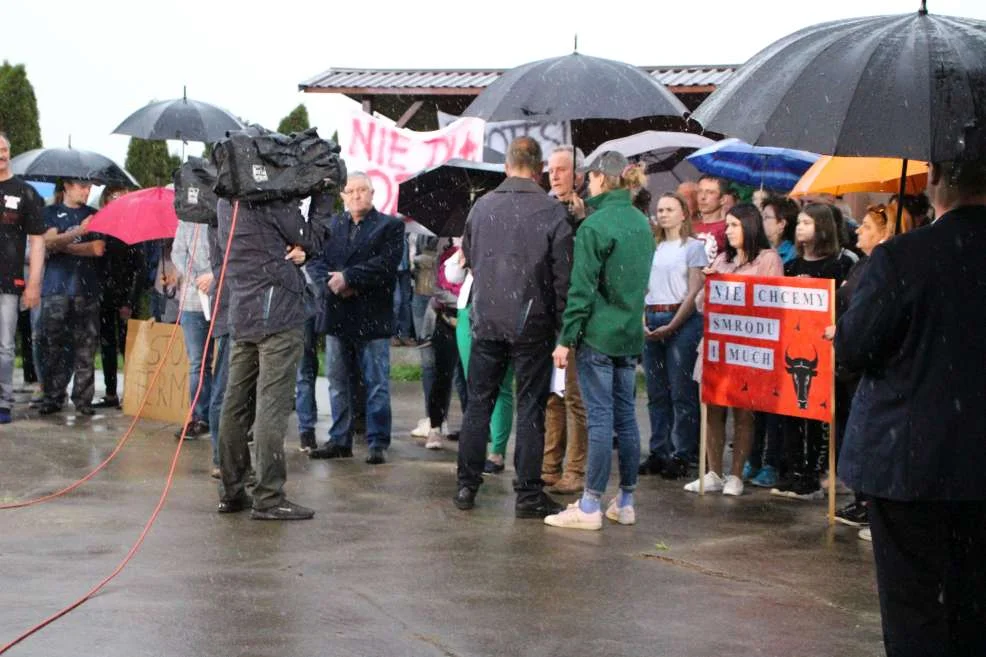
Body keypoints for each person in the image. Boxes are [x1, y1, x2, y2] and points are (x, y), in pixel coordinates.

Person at [836, 158, 986, 657]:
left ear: (938, 187)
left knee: (912, 611)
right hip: (972, 465)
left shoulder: (903, 257)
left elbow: (854, 349)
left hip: (907, 460)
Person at [453, 136, 572, 518]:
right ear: (538, 169)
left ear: (506, 166)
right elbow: (562, 276)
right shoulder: (552, 212)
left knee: (478, 405)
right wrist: (563, 328)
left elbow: (469, 258)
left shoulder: (481, 206)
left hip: (486, 319)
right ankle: (527, 493)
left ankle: (466, 486)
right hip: (532, 323)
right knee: (530, 408)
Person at [543, 151, 654, 530]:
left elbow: (582, 290)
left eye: (590, 179)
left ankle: (590, 504)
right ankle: (625, 500)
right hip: (628, 334)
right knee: (626, 415)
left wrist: (566, 338)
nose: (587, 185)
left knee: (600, 418)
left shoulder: (595, 226)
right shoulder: (641, 222)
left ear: (601, 180)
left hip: (598, 335)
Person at [215, 188, 332, 520]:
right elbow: (312, 237)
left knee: (235, 404)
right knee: (271, 408)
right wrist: (322, 195)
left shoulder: (227, 201)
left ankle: (232, 490)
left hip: (243, 312)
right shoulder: (270, 198)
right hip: (277, 314)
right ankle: (268, 496)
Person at [685, 204, 783, 496]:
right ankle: (714, 471)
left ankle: (736, 474)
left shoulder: (768, 259)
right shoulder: (722, 260)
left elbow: (770, 301)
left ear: (749, 226)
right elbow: (702, 305)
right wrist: (707, 283)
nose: (727, 231)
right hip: (717, 345)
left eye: (733, 225)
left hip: (748, 347)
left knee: (744, 411)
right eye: (727, 226)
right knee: (712, 409)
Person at [308, 172, 404, 465]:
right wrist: (331, 281)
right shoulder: (333, 225)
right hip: (338, 314)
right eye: (351, 191)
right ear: (343, 196)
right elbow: (315, 259)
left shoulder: (390, 226)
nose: (356, 195)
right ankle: (340, 439)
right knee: (338, 381)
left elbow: (386, 265)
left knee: (376, 382)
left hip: (373, 316)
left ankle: (377, 441)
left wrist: (349, 278)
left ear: (372, 193)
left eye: (362, 190)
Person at [770, 203, 854, 501]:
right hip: (792, 350)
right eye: (799, 222)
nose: (800, 227)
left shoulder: (840, 265)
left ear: (822, 227)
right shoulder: (791, 266)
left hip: (823, 353)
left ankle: (814, 474)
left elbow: (844, 305)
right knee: (791, 412)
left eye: (806, 222)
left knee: (818, 416)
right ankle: (795, 470)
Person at [823, 203, 896, 530]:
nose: (858, 231)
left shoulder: (884, 267)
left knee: (863, 430)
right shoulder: (862, 266)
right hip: (847, 363)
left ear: (885, 232)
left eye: (867, 227)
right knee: (848, 426)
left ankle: (868, 501)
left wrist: (845, 329)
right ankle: (859, 498)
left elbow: (870, 315)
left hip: (865, 364)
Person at [638, 192, 707, 480]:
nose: (663, 214)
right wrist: (642, 318)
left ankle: (682, 452)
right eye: (660, 209)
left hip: (680, 316)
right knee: (656, 391)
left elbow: (694, 290)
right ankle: (659, 449)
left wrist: (675, 323)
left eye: (670, 209)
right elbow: (642, 284)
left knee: (681, 391)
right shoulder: (652, 245)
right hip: (652, 312)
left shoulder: (693, 247)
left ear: (683, 214)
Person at [542, 144, 589, 494]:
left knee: (574, 396)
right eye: (551, 169)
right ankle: (548, 466)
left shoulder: (588, 212)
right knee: (550, 396)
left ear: (579, 175)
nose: (555, 175)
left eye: (562, 169)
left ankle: (575, 469)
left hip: (574, 315)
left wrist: (580, 221)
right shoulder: (543, 208)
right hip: (545, 313)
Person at [38, 179, 105, 416]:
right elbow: (47, 242)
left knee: (86, 348)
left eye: (89, 188)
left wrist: (62, 245)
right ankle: (53, 396)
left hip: (87, 290)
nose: (87, 191)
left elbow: (97, 249)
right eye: (81, 186)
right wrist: (79, 233)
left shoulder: (96, 215)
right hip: (56, 289)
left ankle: (83, 399)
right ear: (67, 186)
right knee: (53, 347)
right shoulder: (50, 212)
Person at [444, 248, 515, 473]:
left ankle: (497, 452)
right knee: (475, 385)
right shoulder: (475, 230)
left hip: (505, 310)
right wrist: (462, 255)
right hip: (469, 310)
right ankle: (478, 449)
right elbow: (452, 276)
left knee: (501, 385)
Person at [0, 132, 46, 424]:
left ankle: (3, 402)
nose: (1, 154)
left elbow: (38, 242)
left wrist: (34, 284)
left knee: (4, 346)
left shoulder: (26, 193)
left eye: (4, 148)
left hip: (9, 282)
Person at [93, 187, 143, 410]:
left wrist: (129, 302)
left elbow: (140, 270)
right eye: (113, 197)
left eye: (122, 196)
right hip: (104, 296)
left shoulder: (134, 227)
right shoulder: (101, 227)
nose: (117, 200)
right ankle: (111, 392)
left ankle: (131, 394)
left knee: (128, 347)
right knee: (107, 345)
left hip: (125, 298)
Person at [171, 218, 215, 438]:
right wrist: (197, 278)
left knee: (232, 363)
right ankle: (200, 417)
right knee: (198, 363)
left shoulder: (226, 210)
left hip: (225, 299)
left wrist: (214, 276)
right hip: (192, 300)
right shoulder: (186, 221)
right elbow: (178, 254)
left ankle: (227, 417)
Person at [693, 175, 728, 262]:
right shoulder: (689, 226)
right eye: (700, 191)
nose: (703, 197)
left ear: (722, 199)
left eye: (710, 192)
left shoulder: (728, 228)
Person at [760, 195, 798, 264]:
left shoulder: (793, 254)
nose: (761, 221)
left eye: (766, 217)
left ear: (782, 224)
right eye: (761, 216)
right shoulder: (760, 248)